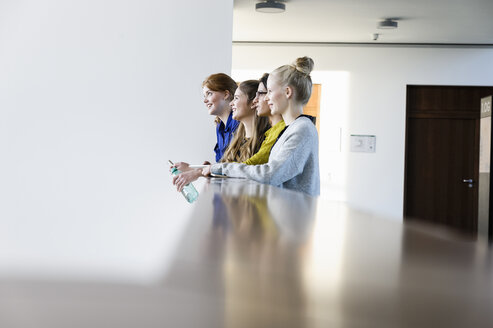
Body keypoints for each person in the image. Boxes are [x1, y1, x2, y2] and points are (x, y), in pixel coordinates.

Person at [203, 57, 320, 196]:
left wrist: (220, 169)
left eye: (270, 91)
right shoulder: (291, 129)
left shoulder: (302, 129)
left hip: (293, 216)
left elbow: (270, 174)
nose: (266, 98)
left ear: (287, 92)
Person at [171, 73, 239, 187]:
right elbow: (223, 166)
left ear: (226, 94)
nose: (205, 100)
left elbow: (235, 167)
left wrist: (197, 172)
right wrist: (191, 168)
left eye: (209, 94)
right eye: (204, 96)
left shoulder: (239, 123)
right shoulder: (219, 126)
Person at [220, 80, 271, 163]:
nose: (231, 103)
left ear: (253, 102)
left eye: (236, 98)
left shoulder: (266, 141)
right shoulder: (237, 138)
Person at [244, 73, 285, 165]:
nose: (255, 100)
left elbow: (254, 163)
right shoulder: (272, 131)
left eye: (260, 94)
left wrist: (218, 168)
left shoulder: (282, 130)